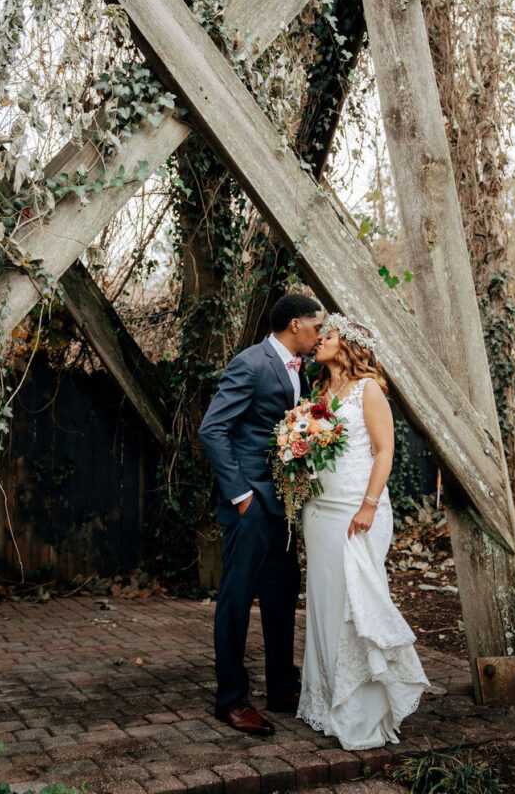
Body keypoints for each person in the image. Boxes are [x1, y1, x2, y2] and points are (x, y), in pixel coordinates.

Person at [297, 313, 429, 750]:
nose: (318, 341)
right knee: (325, 601)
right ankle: (326, 702)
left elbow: (384, 450)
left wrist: (369, 505)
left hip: (359, 509)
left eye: (327, 335)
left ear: (348, 344)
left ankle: (363, 711)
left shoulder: (369, 390)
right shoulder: (320, 391)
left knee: (357, 600)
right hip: (321, 510)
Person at [199, 293, 324, 736]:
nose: (319, 335)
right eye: (315, 327)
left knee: (282, 592)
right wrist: (241, 497)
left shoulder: (302, 370)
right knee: (236, 600)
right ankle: (230, 701)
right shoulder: (250, 364)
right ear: (295, 325)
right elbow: (212, 428)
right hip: (250, 505)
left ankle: (281, 686)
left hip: (282, 505)